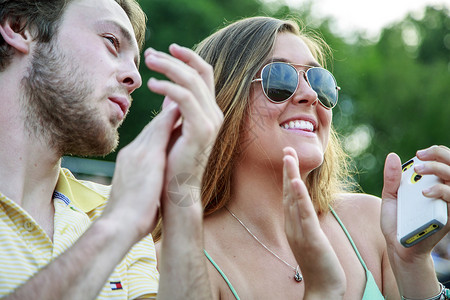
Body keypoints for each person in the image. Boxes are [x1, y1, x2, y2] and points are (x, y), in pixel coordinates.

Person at [153, 16, 450, 299]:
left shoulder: (371, 224)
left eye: (319, 81)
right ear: (220, 105)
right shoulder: (177, 262)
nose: (308, 94)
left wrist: (413, 266)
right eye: (279, 80)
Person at [0, 0, 222, 299]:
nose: (135, 78)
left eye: (136, 62)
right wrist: (116, 228)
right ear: (19, 26)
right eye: (112, 42)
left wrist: (183, 190)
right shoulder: (121, 216)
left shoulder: (111, 208)